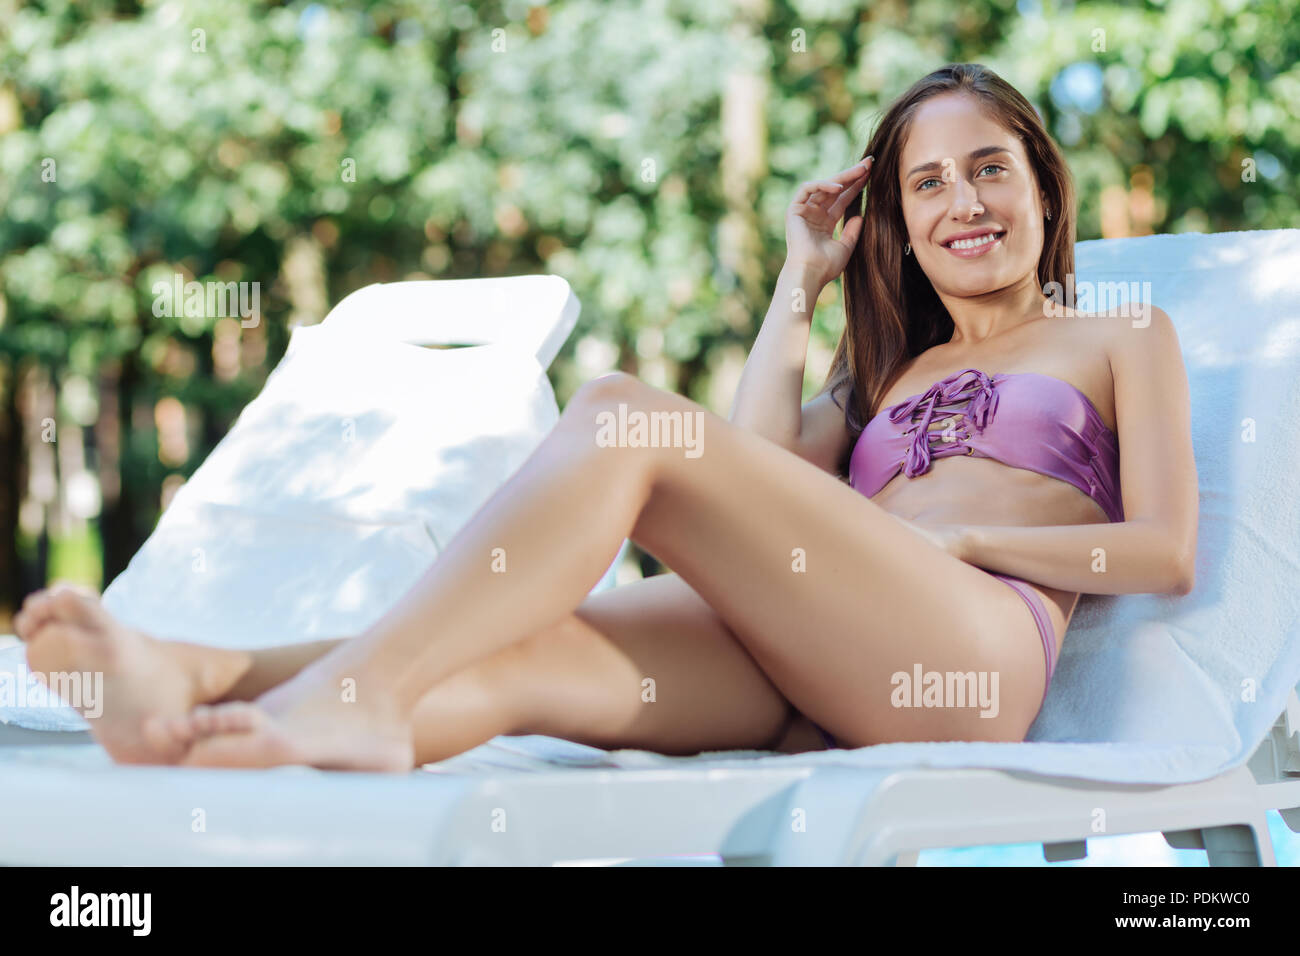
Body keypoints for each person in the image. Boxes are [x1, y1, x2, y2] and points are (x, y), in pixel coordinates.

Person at [14, 63, 1197, 771]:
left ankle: (351, 688)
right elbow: (761, 464)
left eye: (989, 168)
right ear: (895, 218)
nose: (962, 203)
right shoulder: (880, 375)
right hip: (833, 659)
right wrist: (801, 282)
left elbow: (1162, 550)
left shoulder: (1121, 333)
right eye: (925, 184)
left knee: (626, 417)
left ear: (1044, 183)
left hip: (973, 655)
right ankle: (210, 689)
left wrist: (970, 542)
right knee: (532, 649)